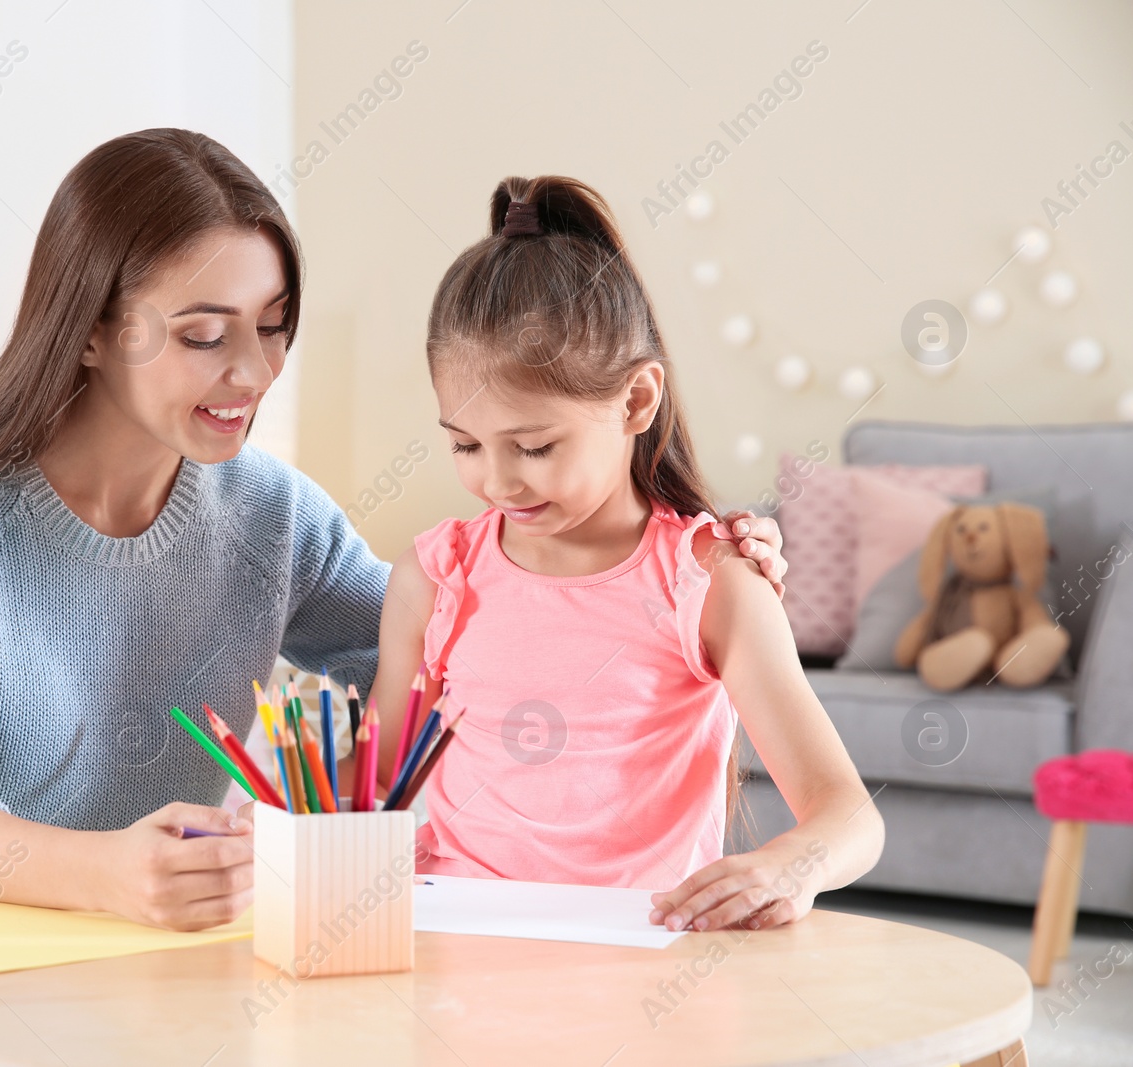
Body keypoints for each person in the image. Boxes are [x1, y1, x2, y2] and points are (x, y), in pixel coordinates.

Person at [0, 131, 787, 1065]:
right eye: (204, 333)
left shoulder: (270, 514)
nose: (252, 370)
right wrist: (105, 871)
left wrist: (686, 569)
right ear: (94, 327)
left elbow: (463, 646)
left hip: (125, 990)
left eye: (274, 325)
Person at [370, 176, 882, 934]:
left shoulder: (708, 579)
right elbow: (368, 785)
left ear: (637, 401)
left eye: (535, 446)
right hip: (459, 946)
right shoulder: (436, 574)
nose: (498, 480)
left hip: (638, 963)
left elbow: (848, 816)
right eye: (465, 444)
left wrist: (790, 864)